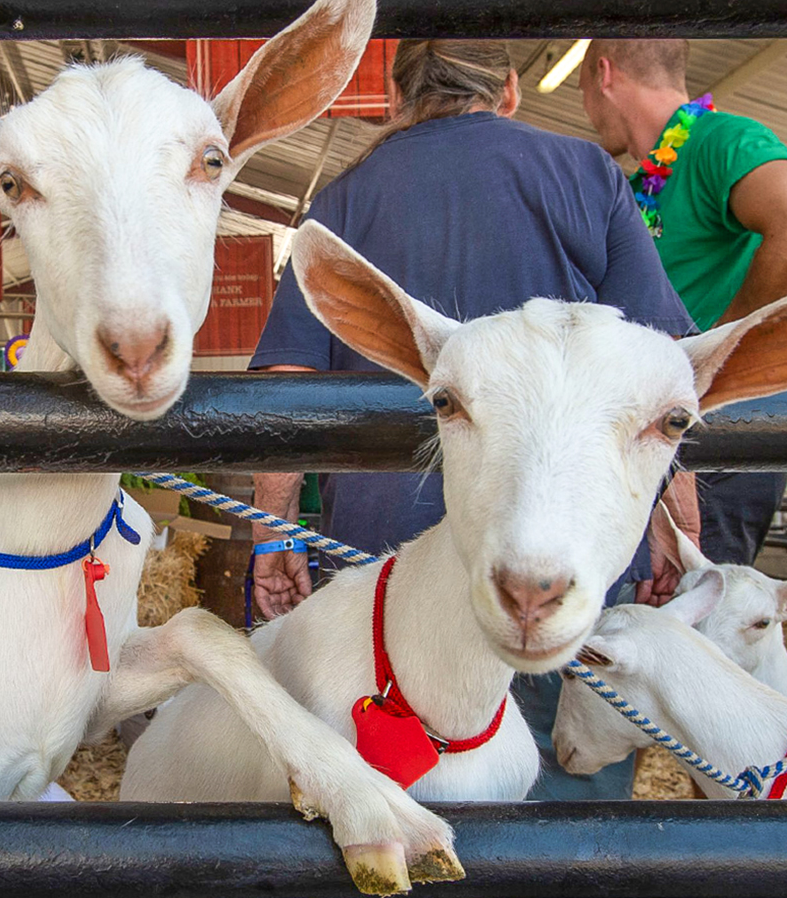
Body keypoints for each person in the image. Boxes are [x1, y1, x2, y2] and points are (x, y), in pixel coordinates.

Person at [247, 40, 693, 800]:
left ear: (396, 97)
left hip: (384, 571)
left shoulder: (348, 195)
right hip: (564, 551)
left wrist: (273, 530)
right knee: (567, 790)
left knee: (395, 809)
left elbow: (289, 380)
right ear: (512, 90)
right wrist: (671, 527)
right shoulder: (585, 173)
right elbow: (661, 363)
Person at [576, 40, 787, 582]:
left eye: (581, 91)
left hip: (712, 436)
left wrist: (721, 347)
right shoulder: (634, 186)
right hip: (652, 435)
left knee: (697, 621)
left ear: (603, 74)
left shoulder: (720, 140)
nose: (586, 109)